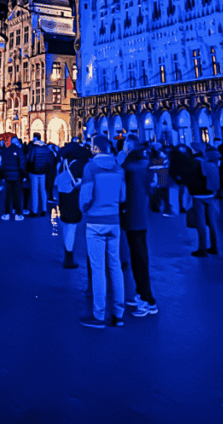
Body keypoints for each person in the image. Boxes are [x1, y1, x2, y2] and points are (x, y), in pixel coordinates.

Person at [78, 134, 126, 328]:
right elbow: (122, 196)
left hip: (95, 222)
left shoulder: (90, 168)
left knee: (98, 268)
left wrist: (86, 209)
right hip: (114, 221)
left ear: (96, 149)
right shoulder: (118, 168)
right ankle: (119, 313)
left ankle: (98, 315)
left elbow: (85, 196)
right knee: (115, 267)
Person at [119, 137, 158, 316]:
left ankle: (147, 299)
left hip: (130, 214)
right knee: (140, 255)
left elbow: (121, 191)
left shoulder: (127, 165)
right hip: (142, 213)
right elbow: (161, 182)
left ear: (129, 148)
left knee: (138, 257)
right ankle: (143, 294)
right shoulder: (148, 163)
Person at [53, 145, 87, 268]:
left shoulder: (64, 162)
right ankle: (69, 256)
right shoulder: (78, 164)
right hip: (74, 198)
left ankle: (67, 249)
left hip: (63, 197)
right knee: (72, 227)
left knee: (67, 226)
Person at [26, 134, 56, 216]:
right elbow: (49, 160)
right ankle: (44, 209)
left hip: (34, 171)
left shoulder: (34, 148)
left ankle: (34, 211)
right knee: (43, 190)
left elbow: (31, 159)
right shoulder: (46, 148)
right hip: (43, 171)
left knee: (34, 191)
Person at [0, 136, 25, 221]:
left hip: (7, 176)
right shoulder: (19, 150)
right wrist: (23, 175)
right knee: (17, 195)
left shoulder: (5, 150)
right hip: (17, 176)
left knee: (8, 195)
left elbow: (2, 164)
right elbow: (22, 164)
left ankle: (7, 213)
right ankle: (17, 214)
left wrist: (3, 176)